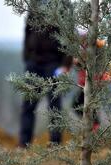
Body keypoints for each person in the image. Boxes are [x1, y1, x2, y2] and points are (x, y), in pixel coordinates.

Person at [19, 10, 72, 147]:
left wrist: (65, 64)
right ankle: (24, 143)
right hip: (34, 63)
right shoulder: (34, 7)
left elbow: (69, 37)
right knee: (28, 104)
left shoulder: (61, 7)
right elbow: (27, 31)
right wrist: (27, 57)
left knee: (54, 104)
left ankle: (55, 144)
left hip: (54, 63)